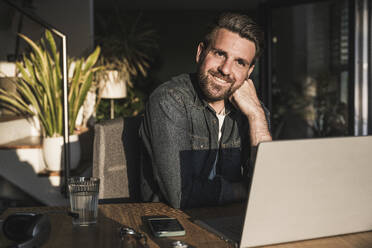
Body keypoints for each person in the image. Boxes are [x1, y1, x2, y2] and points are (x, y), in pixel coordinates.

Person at [139, 12, 272, 209]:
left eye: (240, 62)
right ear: (201, 52)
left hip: (233, 224)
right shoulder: (169, 100)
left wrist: (256, 116)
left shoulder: (253, 110)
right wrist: (244, 190)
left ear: (249, 72)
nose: (226, 69)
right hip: (172, 226)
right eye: (220, 54)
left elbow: (269, 189)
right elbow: (180, 195)